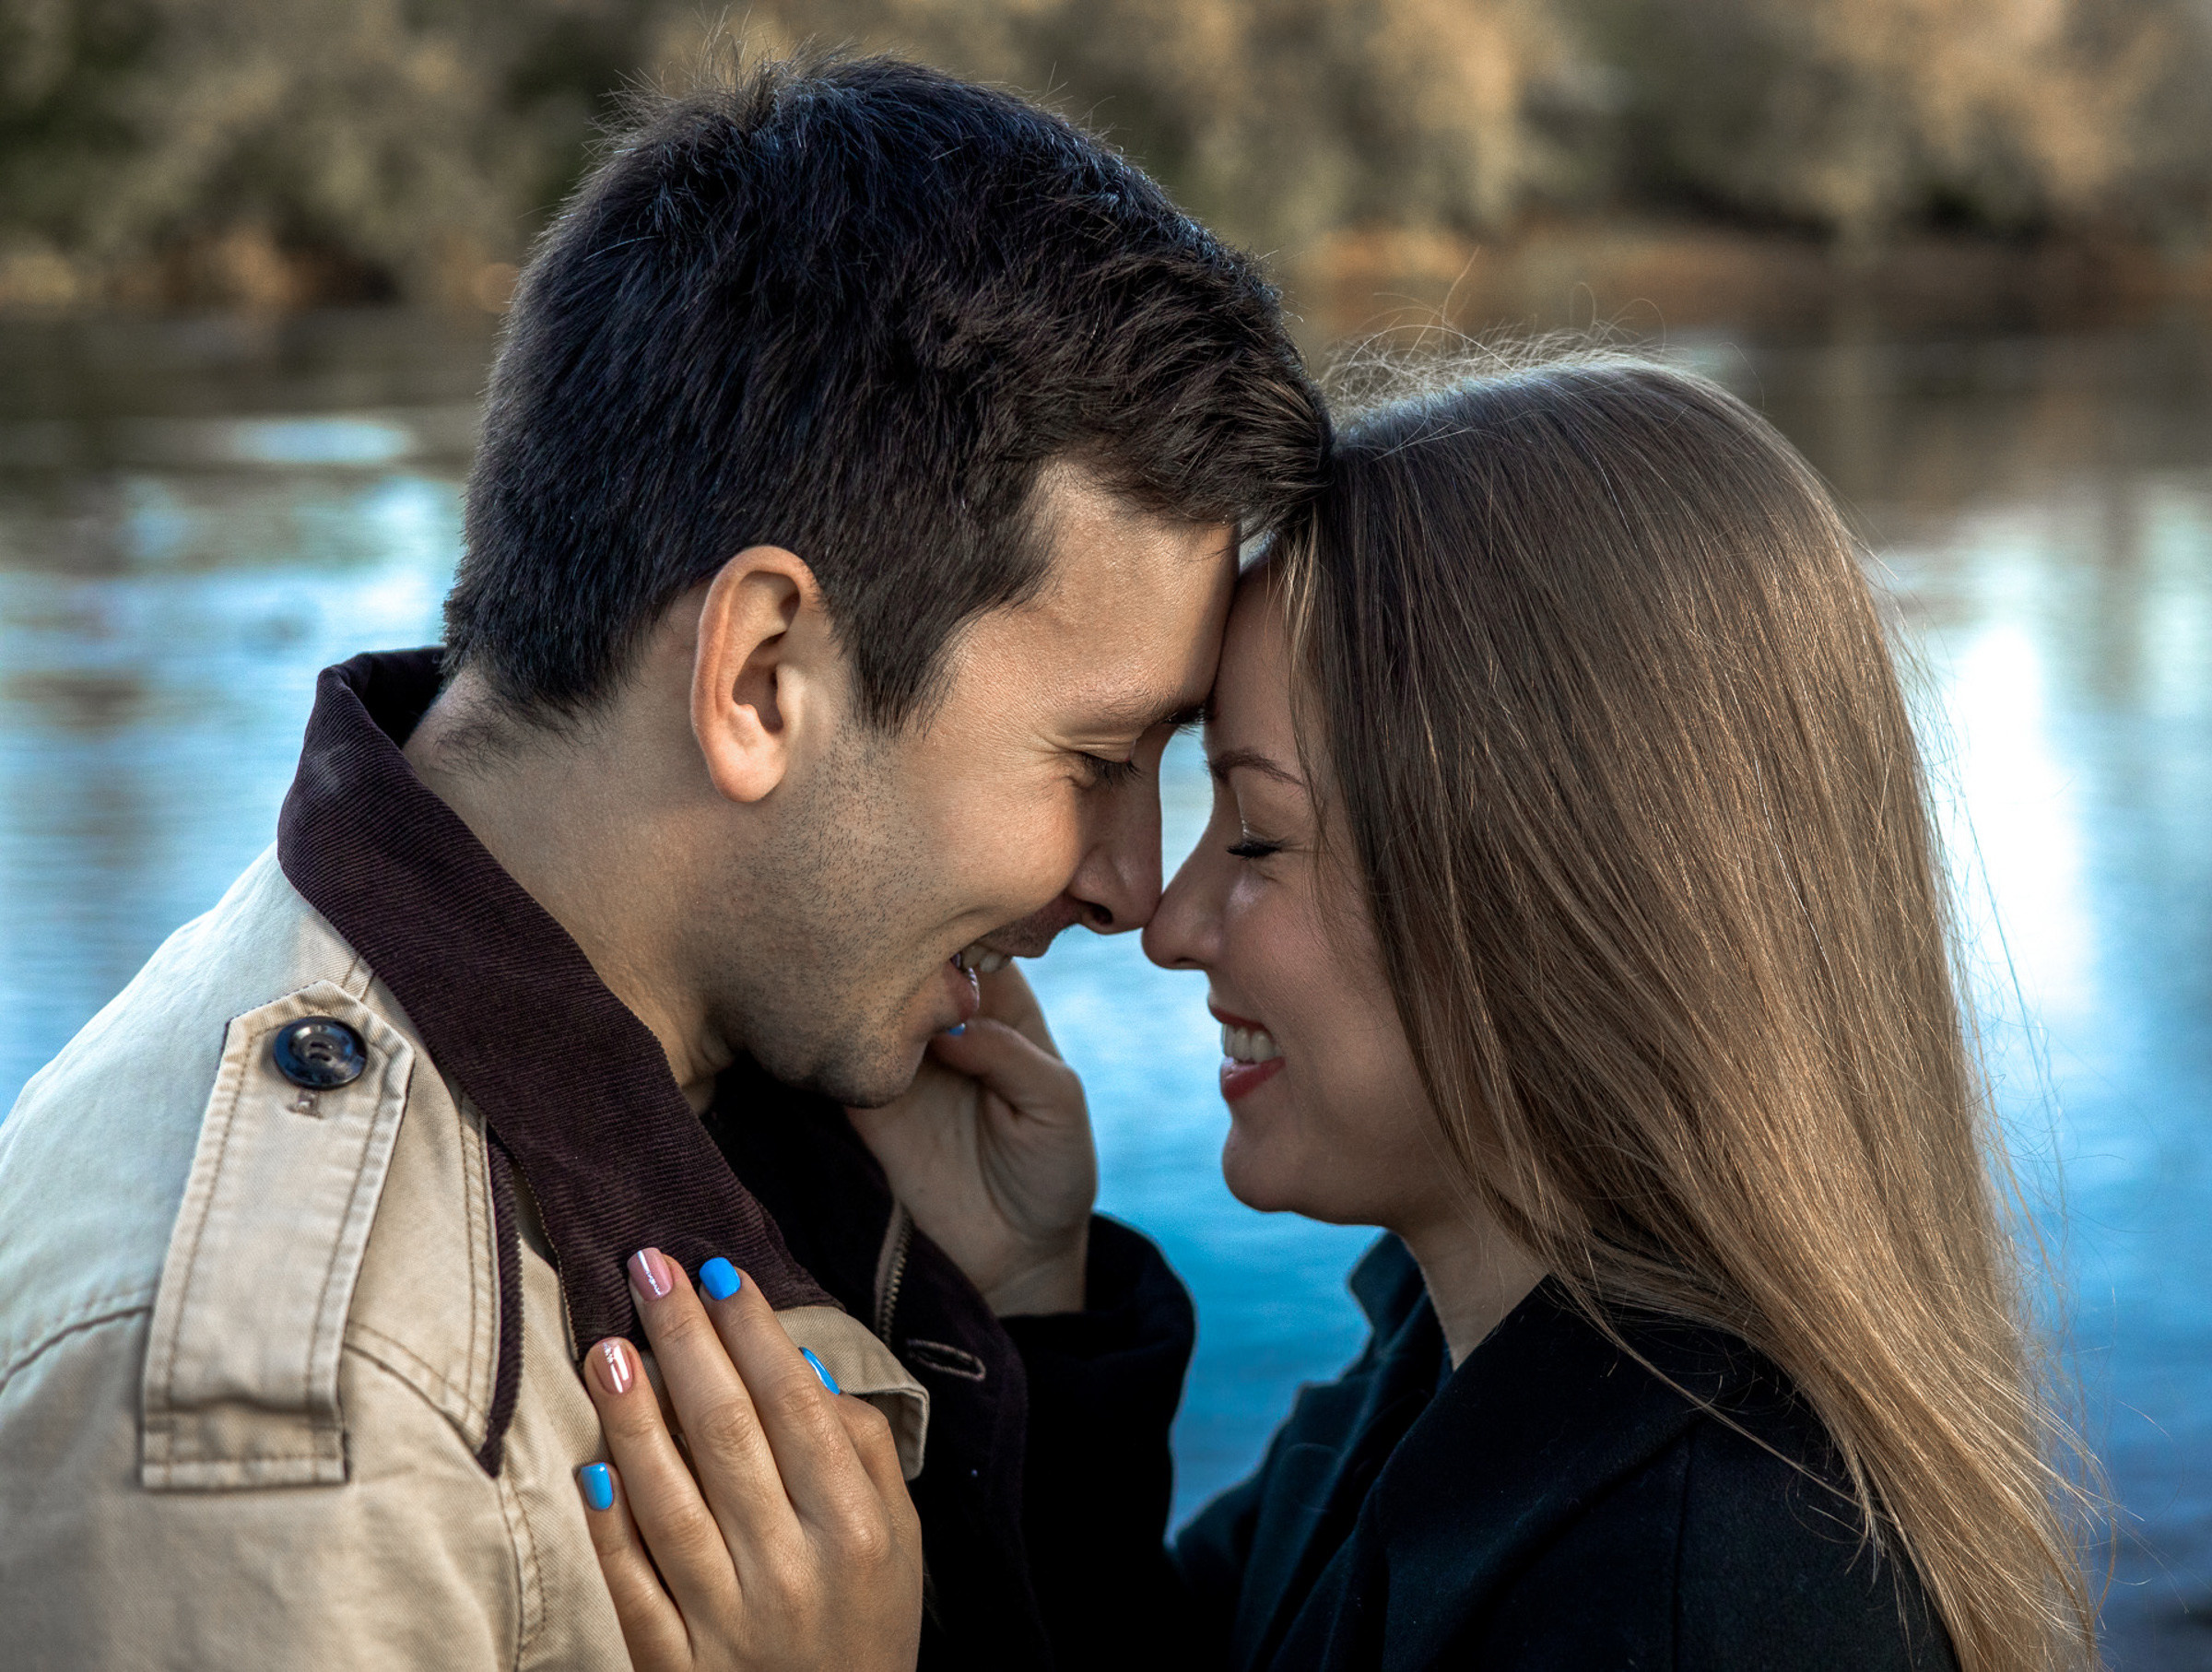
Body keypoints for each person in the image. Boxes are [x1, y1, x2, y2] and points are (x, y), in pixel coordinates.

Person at [0, 53, 1324, 1671]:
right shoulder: (310, 1438)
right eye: (1099, 762)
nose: (1131, 884)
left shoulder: (727, 1065)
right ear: (762, 676)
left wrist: (1004, 1327)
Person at [624, 353, 2100, 1670]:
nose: (1169, 920)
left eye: (1254, 836)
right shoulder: (1456, 1375)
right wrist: (1031, 1303)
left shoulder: (1705, 1588)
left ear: (1546, 895)